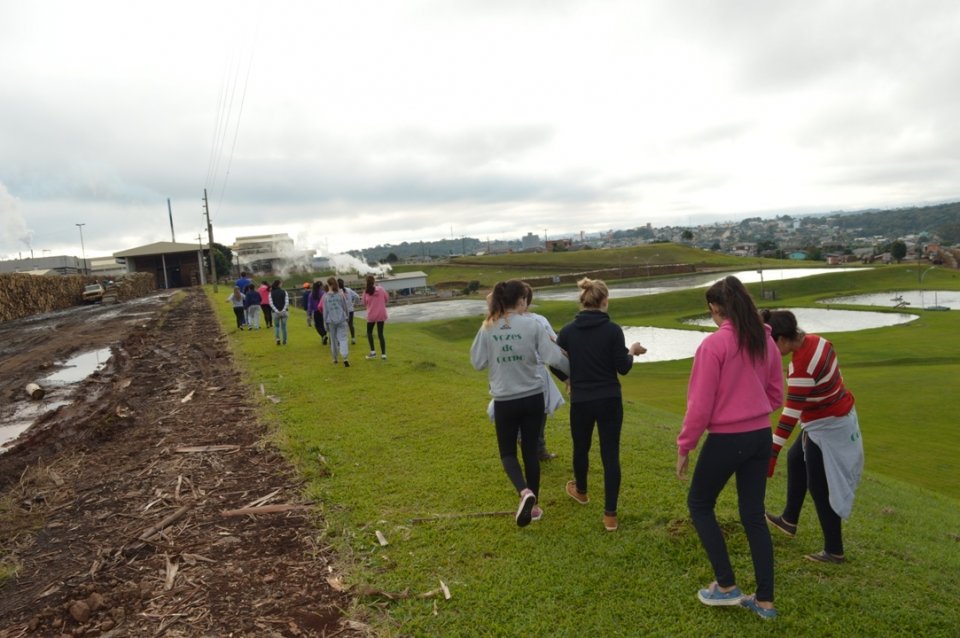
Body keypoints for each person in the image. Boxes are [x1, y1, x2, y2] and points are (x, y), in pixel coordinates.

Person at [675, 276, 783, 619]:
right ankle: (764, 600)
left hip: (727, 438)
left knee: (699, 502)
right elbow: (776, 394)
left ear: (714, 309)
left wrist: (685, 446)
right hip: (760, 435)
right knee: (753, 515)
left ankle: (725, 585)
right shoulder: (765, 342)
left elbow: (700, 406)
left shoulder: (714, 345)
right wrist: (751, 405)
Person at [761, 309, 864, 565]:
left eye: (772, 344)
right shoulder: (819, 342)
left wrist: (771, 454)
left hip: (826, 425)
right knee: (796, 459)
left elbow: (789, 417)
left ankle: (834, 551)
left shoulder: (801, 368)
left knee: (819, 486)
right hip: (833, 415)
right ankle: (789, 520)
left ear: (783, 339)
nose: (772, 351)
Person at [470, 279, 569, 527]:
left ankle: (524, 492)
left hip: (505, 399)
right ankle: (534, 507)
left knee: (507, 452)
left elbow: (477, 362)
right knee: (530, 452)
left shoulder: (488, 327)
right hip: (534, 396)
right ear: (521, 300)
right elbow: (552, 357)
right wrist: (574, 373)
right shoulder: (533, 324)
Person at [556, 277, 646, 532]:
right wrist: (632, 351)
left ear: (583, 301)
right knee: (610, 454)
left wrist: (568, 378)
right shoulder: (612, 330)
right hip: (609, 399)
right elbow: (623, 368)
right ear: (605, 301)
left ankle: (581, 491)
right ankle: (610, 516)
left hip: (581, 399)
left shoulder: (568, 331)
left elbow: (554, 361)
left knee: (580, 448)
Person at [323, 276, 351, 367]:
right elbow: (345, 307)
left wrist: (325, 323)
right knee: (343, 339)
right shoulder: (340, 294)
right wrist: (347, 316)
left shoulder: (326, 297)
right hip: (342, 319)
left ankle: (335, 358)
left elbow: (325, 311)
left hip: (330, 320)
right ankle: (345, 358)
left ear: (329, 285)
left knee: (333, 340)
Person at [362, 274, 389, 360]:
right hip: (381, 313)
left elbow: (364, 303)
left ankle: (373, 352)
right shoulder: (381, 289)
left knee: (369, 332)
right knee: (380, 334)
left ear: (366, 282)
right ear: (374, 281)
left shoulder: (366, 292)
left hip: (372, 315)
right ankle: (383, 354)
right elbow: (386, 298)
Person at [338, 278, 362, 345]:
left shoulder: (337, 292)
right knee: (350, 324)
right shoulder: (348, 290)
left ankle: (343, 340)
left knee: (342, 326)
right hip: (350, 310)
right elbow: (357, 296)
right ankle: (353, 338)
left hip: (342, 311)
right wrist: (355, 304)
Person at [269, 280, 290, 346]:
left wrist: (276, 310)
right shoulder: (284, 292)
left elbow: (271, 303)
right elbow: (287, 302)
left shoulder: (271, 293)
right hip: (284, 312)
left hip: (275, 313)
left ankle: (277, 339)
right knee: (284, 327)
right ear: (278, 284)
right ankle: (284, 341)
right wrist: (283, 310)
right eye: (281, 283)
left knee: (276, 326)